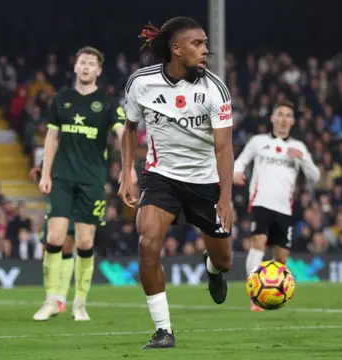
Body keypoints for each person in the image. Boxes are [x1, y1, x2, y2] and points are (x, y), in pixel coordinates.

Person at [118, 17, 235, 349]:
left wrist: (225, 198)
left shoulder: (214, 89)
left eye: (206, 44)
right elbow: (129, 128)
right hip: (161, 177)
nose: (205, 51)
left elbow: (224, 147)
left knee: (225, 259)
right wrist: (126, 172)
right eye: (197, 44)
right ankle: (163, 329)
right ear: (176, 48)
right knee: (147, 244)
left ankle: (213, 270)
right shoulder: (141, 83)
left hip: (204, 182)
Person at [33, 46, 128, 322]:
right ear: (75, 67)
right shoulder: (61, 99)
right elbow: (51, 139)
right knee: (54, 237)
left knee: (85, 242)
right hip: (63, 177)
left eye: (91, 63)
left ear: (98, 70)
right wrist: (45, 174)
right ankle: (52, 300)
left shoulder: (108, 102)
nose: (86, 67)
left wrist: (127, 168)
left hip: (92, 180)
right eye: (82, 62)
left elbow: (123, 135)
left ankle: (80, 304)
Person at [233, 99, 320, 312]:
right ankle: (255, 296)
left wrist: (303, 160)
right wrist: (236, 172)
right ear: (272, 118)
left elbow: (315, 177)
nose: (283, 119)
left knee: (280, 258)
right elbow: (241, 161)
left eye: (287, 116)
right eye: (279, 114)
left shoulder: (298, 147)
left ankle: (274, 295)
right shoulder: (258, 141)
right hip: (261, 202)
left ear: (292, 121)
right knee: (258, 241)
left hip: (284, 208)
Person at [30, 164, 75, 315]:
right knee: (47, 247)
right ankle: (51, 296)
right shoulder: (53, 147)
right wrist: (40, 173)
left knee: (67, 244)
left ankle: (60, 297)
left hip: (75, 199)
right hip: (56, 200)